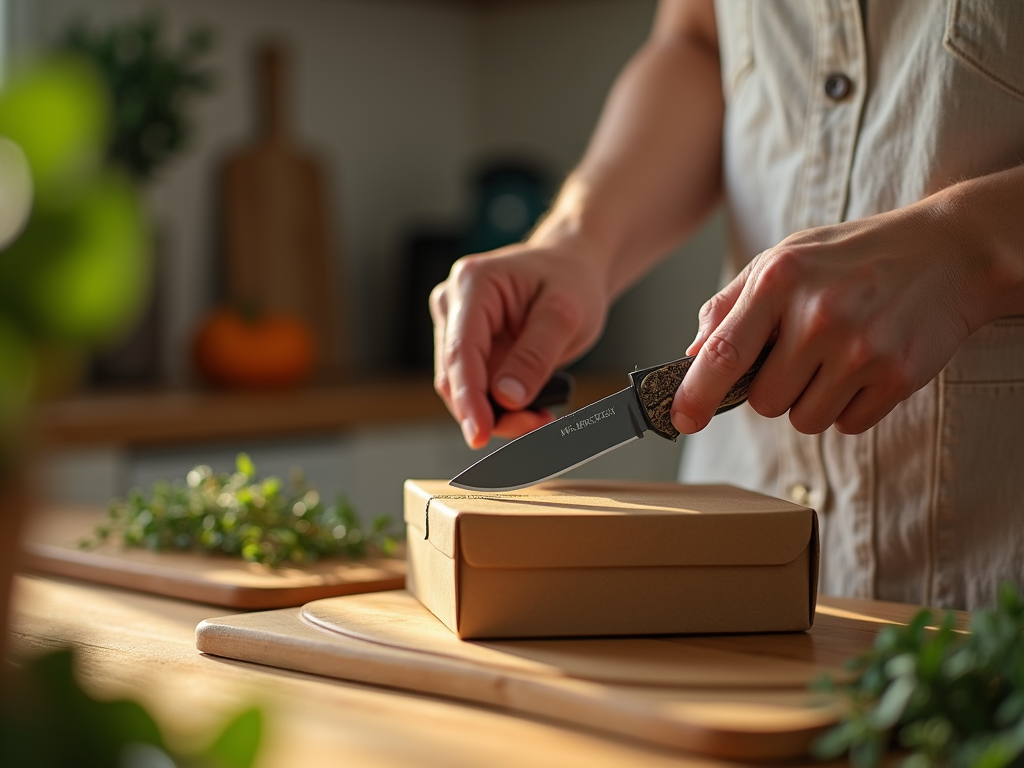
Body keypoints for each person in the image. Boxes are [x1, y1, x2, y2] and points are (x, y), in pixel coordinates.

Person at [429, 0, 1024, 611]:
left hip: (993, 580)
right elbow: (696, 44)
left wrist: (972, 245)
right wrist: (576, 240)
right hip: (743, 543)